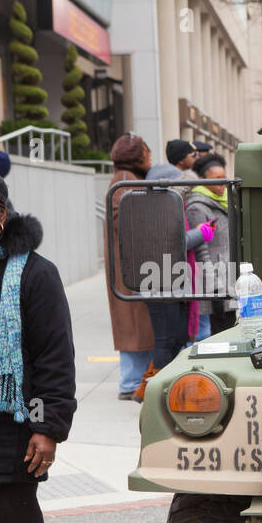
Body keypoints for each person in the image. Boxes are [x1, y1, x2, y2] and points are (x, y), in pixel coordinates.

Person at [0, 168, 76, 523]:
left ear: (3, 215)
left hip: (11, 421)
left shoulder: (35, 274)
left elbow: (54, 356)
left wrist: (47, 427)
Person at [104, 134, 156, 401]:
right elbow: (126, 223)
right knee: (135, 326)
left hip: (131, 268)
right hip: (132, 270)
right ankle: (132, 382)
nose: (150, 157)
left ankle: (135, 380)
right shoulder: (126, 182)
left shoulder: (125, 179)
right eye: (146, 152)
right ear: (137, 156)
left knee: (136, 326)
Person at [147, 163, 215, 344]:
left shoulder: (165, 207)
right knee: (167, 341)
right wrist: (201, 233)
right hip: (162, 281)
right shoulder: (161, 211)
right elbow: (175, 242)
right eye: (183, 192)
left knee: (176, 338)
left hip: (172, 279)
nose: (185, 196)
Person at [184, 153, 233, 335]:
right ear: (202, 180)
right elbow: (201, 252)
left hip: (231, 277)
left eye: (224, 177)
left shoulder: (228, 199)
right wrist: (215, 290)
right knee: (220, 334)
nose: (222, 183)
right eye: (216, 179)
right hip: (216, 283)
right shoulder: (197, 206)